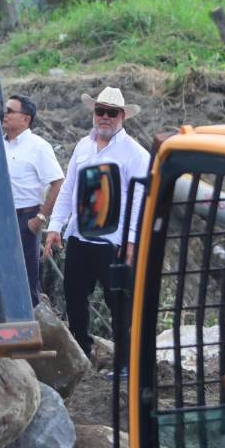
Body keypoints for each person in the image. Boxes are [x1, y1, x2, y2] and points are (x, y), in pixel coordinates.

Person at [44, 86, 150, 378]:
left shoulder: (136, 154)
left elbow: (141, 201)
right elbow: (68, 189)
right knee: (75, 295)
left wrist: (130, 241)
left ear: (122, 116)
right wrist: (56, 226)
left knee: (119, 302)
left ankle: (126, 363)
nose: (104, 117)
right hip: (80, 235)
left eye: (111, 112)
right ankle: (81, 353)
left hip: (113, 241)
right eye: (100, 111)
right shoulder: (83, 145)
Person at [2, 94, 64, 307]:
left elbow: (58, 182)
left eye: (10, 111)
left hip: (25, 219)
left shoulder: (38, 146)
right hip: (0, 218)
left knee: (26, 278)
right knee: (2, 276)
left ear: (26, 119)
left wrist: (39, 218)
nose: (4, 114)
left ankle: (34, 328)